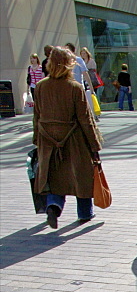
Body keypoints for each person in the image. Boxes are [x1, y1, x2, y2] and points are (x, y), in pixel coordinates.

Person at [32, 46, 102, 228]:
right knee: (82, 175)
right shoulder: (75, 88)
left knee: (55, 177)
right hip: (73, 139)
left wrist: (37, 140)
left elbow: (37, 116)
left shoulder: (40, 87)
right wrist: (94, 145)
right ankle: (85, 213)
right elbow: (85, 119)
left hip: (48, 140)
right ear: (69, 65)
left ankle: (53, 207)